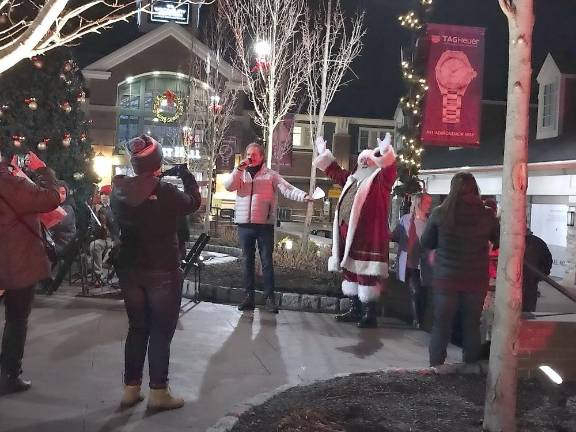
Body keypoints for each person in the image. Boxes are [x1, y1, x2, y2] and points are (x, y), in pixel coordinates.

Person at [111, 135, 200, 411]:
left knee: (137, 328)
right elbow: (194, 203)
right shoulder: (166, 192)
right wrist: (186, 176)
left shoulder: (119, 191)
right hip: (162, 270)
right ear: (157, 162)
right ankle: (159, 391)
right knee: (161, 331)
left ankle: (131, 388)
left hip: (130, 270)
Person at [313, 134, 397, 328]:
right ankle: (355, 308)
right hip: (347, 235)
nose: (364, 162)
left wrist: (386, 153)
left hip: (367, 237)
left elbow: (390, 172)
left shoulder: (379, 181)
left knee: (366, 273)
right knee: (350, 271)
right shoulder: (352, 179)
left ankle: (370, 313)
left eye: (368, 160)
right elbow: (335, 171)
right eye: (362, 160)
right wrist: (324, 153)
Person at [421, 172, 499, 368]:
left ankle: (436, 367)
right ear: (475, 188)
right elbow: (499, 240)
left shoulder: (441, 213)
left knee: (441, 325)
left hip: (446, 280)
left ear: (452, 188)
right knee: (471, 325)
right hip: (475, 280)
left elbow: (426, 242)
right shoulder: (486, 214)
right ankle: (470, 368)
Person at [224, 143, 312, 313]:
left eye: (254, 154)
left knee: (266, 262)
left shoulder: (270, 175)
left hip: (264, 225)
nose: (250, 157)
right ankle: (248, 297)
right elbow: (229, 186)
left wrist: (304, 196)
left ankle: (269, 298)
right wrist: (238, 169)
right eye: (248, 153)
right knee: (247, 261)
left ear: (262, 156)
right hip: (244, 225)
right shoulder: (240, 174)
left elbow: (287, 188)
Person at [0, 148, 60, 394]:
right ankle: (8, 374)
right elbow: (51, 198)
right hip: (16, 262)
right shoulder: (9, 183)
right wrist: (41, 169)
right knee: (16, 318)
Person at [391, 192, 433, 328]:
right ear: (419, 203)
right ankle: (417, 321)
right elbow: (395, 235)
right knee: (415, 290)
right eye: (427, 202)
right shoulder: (406, 220)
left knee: (422, 291)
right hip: (409, 262)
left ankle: (419, 319)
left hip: (423, 264)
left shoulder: (430, 223)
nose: (429, 205)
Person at [43, 181, 77, 294]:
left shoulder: (68, 208)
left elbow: (59, 223)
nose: (60, 195)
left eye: (63, 192)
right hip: (54, 240)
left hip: (66, 242)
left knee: (44, 253)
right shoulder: (53, 206)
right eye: (57, 192)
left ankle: (47, 282)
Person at [90, 189, 119, 285]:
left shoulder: (113, 209)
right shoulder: (96, 209)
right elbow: (93, 226)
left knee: (114, 251)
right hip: (101, 238)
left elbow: (115, 227)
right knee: (95, 245)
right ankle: (98, 275)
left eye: (106, 194)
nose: (103, 196)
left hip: (111, 239)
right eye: (102, 194)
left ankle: (105, 274)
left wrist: (115, 239)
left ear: (110, 196)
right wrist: (97, 215)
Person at [523, 229, 552, 312]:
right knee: (527, 309)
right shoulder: (538, 242)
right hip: (530, 281)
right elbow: (547, 260)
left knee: (526, 309)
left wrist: (540, 275)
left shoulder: (537, 243)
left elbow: (547, 260)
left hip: (529, 281)